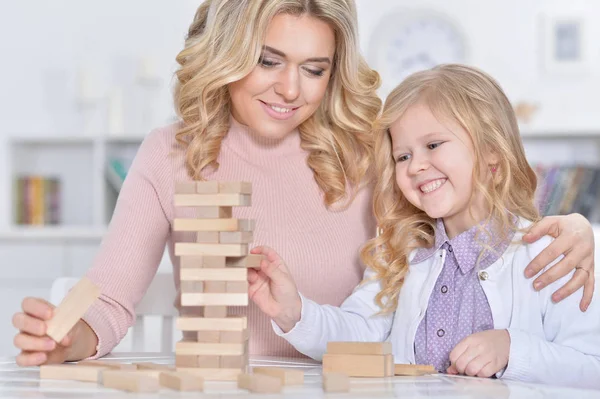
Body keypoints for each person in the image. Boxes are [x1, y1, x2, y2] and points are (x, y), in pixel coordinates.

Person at [12, 1, 595, 367]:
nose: (292, 89)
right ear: (226, 54)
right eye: (268, 61)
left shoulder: (377, 152)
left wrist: (576, 226)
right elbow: (111, 300)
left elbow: (468, 218)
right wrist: (69, 340)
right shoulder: (171, 155)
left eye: (315, 69)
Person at [249, 64, 600, 389]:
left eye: (433, 145)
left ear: (492, 152)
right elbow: (359, 335)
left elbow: (591, 368)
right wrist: (294, 311)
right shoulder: (401, 252)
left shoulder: (552, 254)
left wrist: (513, 350)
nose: (415, 166)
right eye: (403, 156)